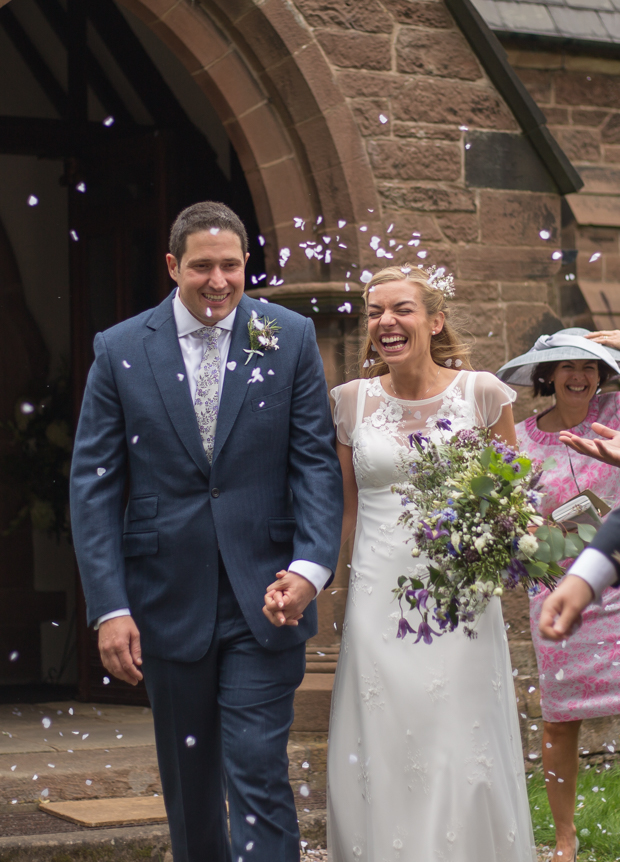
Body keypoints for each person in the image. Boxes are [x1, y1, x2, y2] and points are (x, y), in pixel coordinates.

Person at [70, 201, 343, 862]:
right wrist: (111, 607)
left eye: (230, 265)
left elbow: (313, 462)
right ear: (172, 266)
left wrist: (308, 571)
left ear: (246, 265)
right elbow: (95, 484)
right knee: (190, 788)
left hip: (267, 594)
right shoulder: (120, 349)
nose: (217, 280)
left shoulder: (290, 337)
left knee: (257, 766)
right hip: (167, 596)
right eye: (202, 266)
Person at [324, 264, 536, 862]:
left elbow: (509, 499)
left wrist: (501, 545)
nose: (385, 323)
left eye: (401, 310)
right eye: (374, 313)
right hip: (376, 591)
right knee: (388, 734)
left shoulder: (484, 393)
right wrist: (324, 583)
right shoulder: (348, 403)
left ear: (435, 320)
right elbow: (346, 509)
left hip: (459, 597)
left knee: (455, 735)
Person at [497, 328, 620, 862]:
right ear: (546, 375)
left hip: (617, 578)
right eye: (567, 365)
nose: (579, 375)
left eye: (590, 366)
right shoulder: (520, 437)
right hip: (556, 587)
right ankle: (565, 838)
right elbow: (506, 513)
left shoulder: (617, 413)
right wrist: (536, 533)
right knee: (559, 718)